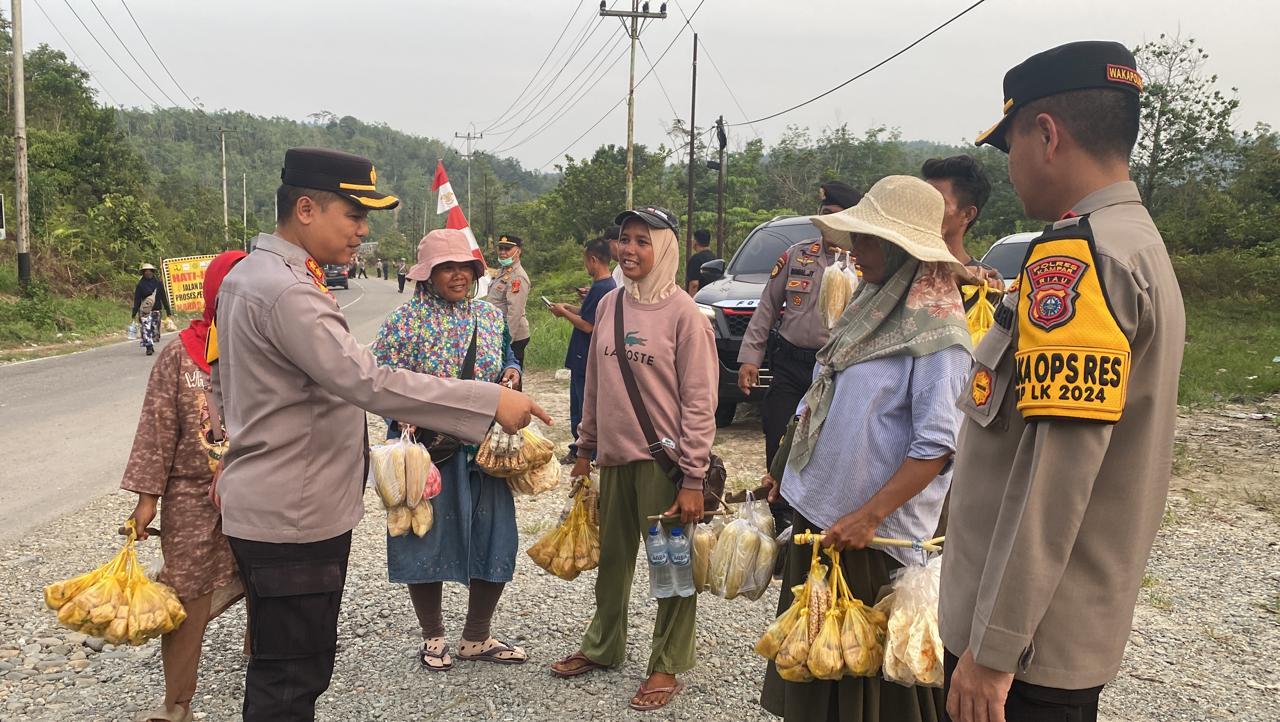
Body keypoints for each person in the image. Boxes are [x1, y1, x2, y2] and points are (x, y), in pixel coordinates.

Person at [212, 147, 550, 722]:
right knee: (293, 674)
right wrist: (490, 399)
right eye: (355, 216)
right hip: (295, 511)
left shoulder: (251, 275)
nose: (363, 233)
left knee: (285, 666)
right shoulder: (290, 291)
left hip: (273, 497)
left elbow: (227, 382)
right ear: (307, 209)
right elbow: (368, 381)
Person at [941, 41, 1185, 722]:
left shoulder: (1082, 258)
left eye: (1010, 145)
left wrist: (993, 651)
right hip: (1047, 640)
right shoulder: (1135, 241)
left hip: (1022, 659)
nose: (1010, 168)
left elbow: (1055, 473)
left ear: (1045, 134)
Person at [759, 176, 972, 721]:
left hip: (870, 540)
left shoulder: (937, 336)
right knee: (812, 666)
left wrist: (867, 516)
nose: (857, 249)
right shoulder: (870, 306)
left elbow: (936, 447)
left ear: (905, 250)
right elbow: (821, 395)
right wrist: (785, 470)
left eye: (870, 239)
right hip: (824, 523)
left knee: (863, 690)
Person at [550, 206, 717, 713]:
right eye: (625, 239)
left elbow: (700, 401)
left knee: (669, 566)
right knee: (613, 563)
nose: (630, 250)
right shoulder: (610, 306)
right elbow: (596, 387)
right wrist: (584, 448)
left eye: (643, 241)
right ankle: (603, 646)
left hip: (664, 467)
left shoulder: (686, 315)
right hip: (615, 460)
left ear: (664, 248)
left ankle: (666, 662)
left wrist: (693, 476)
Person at [371, 229, 528, 672]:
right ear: (428, 274)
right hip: (429, 455)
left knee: (495, 535)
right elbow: (377, 383)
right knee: (424, 538)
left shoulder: (490, 317)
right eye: (447, 267)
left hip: (485, 454)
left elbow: (507, 359)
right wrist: (402, 415)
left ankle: (476, 636)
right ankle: (433, 636)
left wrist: (512, 375)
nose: (458, 276)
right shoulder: (406, 322)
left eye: (466, 267)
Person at [120, 251, 248, 722]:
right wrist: (146, 499)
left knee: (267, 577)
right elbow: (156, 429)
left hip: (259, 488)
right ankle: (178, 703)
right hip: (192, 494)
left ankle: (264, 661)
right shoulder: (180, 353)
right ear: (215, 293)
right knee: (186, 589)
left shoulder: (277, 348)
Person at [739, 181, 861, 529]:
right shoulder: (797, 255)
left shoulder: (864, 264)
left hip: (837, 370)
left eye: (836, 216)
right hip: (791, 363)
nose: (828, 223)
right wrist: (751, 357)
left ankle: (815, 524)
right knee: (779, 436)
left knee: (825, 448)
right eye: (823, 215)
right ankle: (780, 521)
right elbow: (767, 307)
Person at [549, 237, 618, 465]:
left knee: (581, 406)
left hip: (585, 356)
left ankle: (582, 450)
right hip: (586, 356)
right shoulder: (606, 287)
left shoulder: (603, 287)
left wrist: (563, 314)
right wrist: (570, 308)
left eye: (585, 261)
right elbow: (589, 314)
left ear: (594, 260)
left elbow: (588, 326)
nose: (585, 266)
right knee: (584, 403)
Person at [921, 155, 1004, 291]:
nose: (925, 207)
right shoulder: (900, 270)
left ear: (967, 215)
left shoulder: (986, 282)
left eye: (938, 202)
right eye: (924, 199)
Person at [487, 234, 531, 367]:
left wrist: (506, 340)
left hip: (512, 336)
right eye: (500, 248)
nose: (503, 252)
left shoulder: (517, 277)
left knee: (511, 376)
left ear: (518, 251)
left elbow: (514, 312)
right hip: (498, 331)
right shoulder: (502, 271)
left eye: (507, 249)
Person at [132, 263, 173, 356]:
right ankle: (149, 347)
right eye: (145, 271)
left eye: (149, 271)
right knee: (146, 329)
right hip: (145, 311)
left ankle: (151, 343)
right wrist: (134, 312)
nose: (148, 273)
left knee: (155, 330)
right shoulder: (140, 285)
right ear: (143, 273)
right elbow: (137, 299)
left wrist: (168, 311)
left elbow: (163, 297)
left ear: (152, 272)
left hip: (156, 310)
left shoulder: (158, 283)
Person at [685, 229, 715, 294]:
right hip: (710, 298)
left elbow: (694, 284)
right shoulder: (714, 258)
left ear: (695, 242)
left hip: (698, 299)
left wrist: (691, 301)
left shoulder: (696, 259)